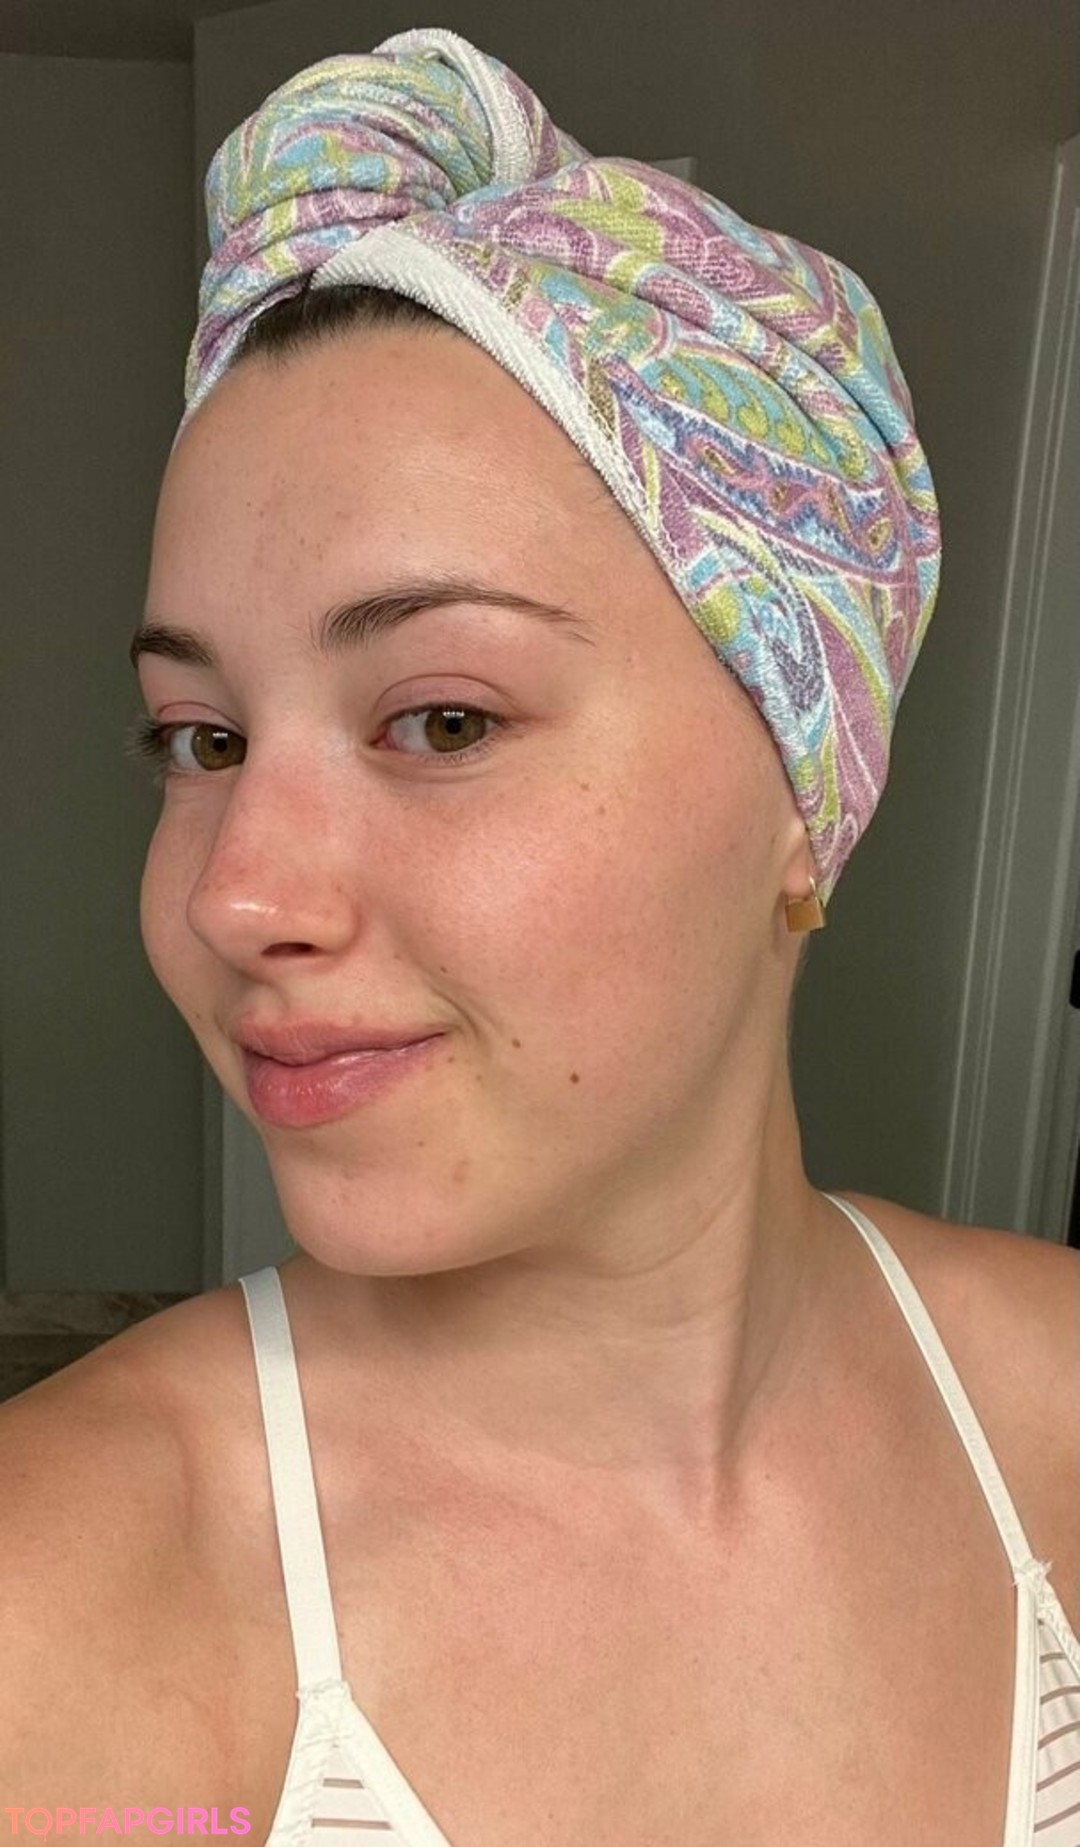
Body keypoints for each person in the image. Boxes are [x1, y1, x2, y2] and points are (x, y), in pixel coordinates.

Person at [2, 26, 1077, 1845]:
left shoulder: (1060, 1414)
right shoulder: (57, 1624)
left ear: (805, 781)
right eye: (204, 740)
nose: (234, 895)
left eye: (442, 720)